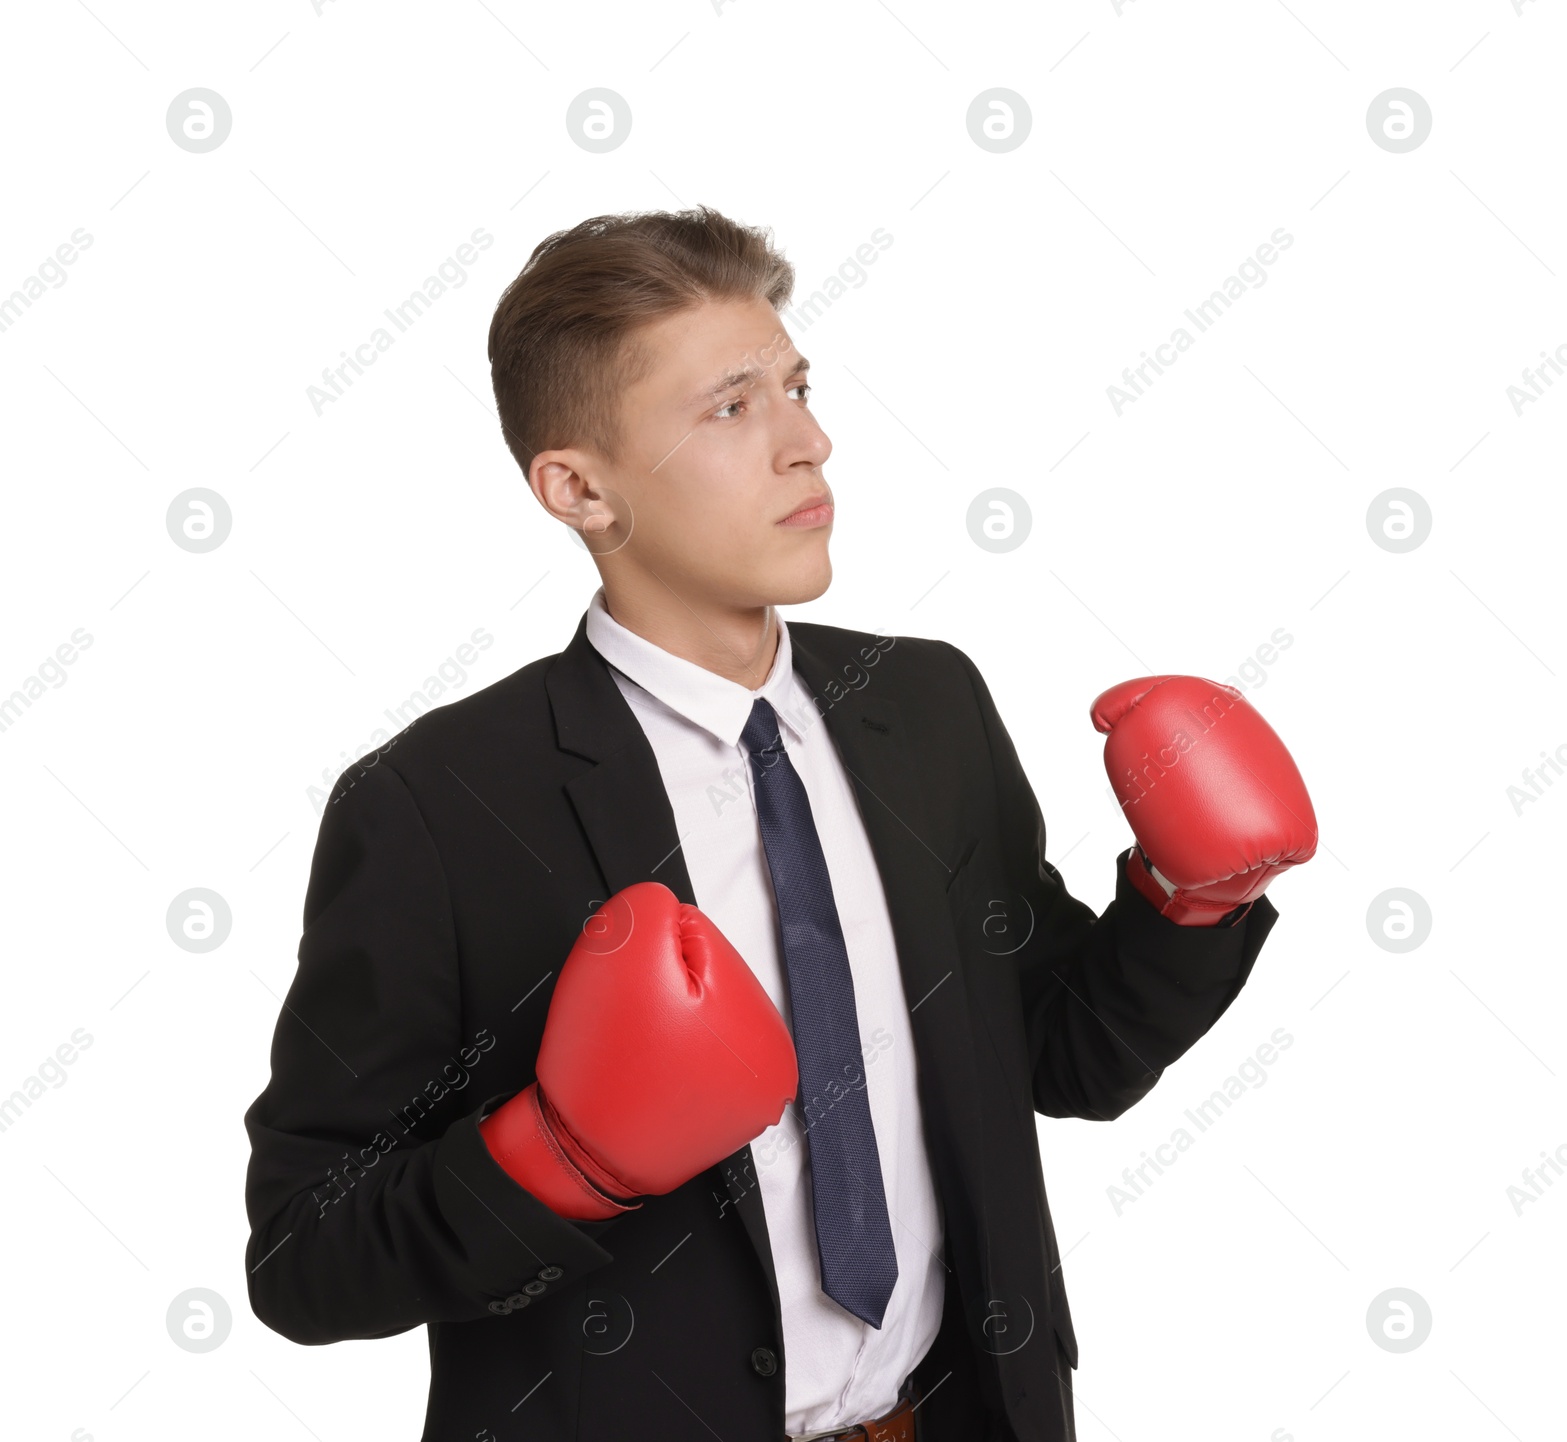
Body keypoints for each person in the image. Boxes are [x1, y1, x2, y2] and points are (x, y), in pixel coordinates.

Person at [243, 205, 1317, 1442]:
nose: (809, 441)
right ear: (578, 486)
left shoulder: (927, 705)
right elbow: (305, 1254)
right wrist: (551, 1157)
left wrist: (1188, 905)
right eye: (731, 405)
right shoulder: (440, 804)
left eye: (797, 387)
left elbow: (1058, 1055)